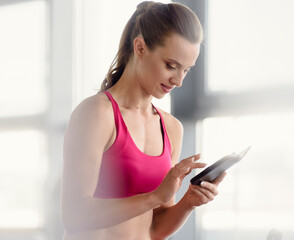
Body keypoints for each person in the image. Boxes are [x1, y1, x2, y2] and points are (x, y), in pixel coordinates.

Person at [61, 1, 226, 239]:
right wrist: (154, 197)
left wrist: (188, 202)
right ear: (139, 48)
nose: (178, 80)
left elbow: (155, 228)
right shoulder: (97, 113)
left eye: (186, 70)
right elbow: (73, 216)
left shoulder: (171, 128)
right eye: (171, 65)